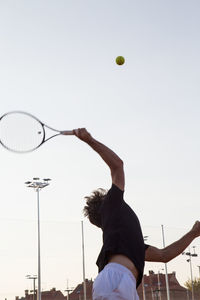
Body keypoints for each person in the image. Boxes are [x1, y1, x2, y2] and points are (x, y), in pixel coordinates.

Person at [73, 128, 200, 300]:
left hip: (123, 285)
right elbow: (117, 165)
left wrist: (193, 233)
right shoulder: (111, 205)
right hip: (116, 281)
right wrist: (90, 140)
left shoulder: (126, 244)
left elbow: (164, 255)